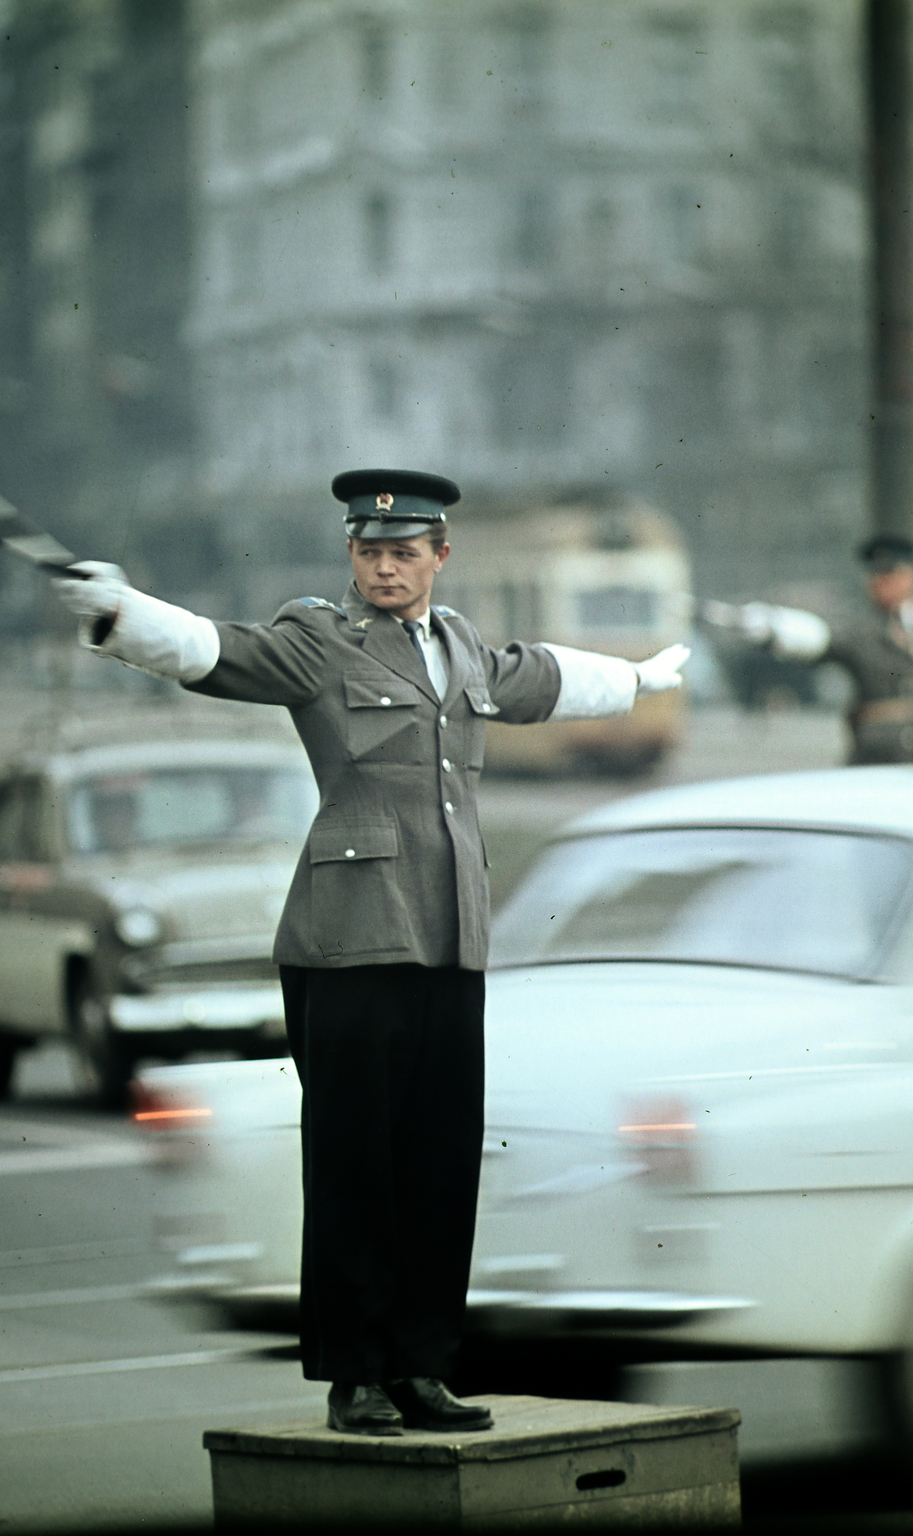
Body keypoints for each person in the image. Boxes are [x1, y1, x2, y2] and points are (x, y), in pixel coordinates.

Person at [54, 469, 689, 1437]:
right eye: (369, 550)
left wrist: (637, 678)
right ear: (350, 555)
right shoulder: (319, 639)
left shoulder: (461, 646)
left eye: (404, 550)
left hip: (447, 935)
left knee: (438, 1164)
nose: (385, 566)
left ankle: (421, 1368)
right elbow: (219, 653)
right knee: (355, 1164)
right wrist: (120, 614)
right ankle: (355, 1375)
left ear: (440, 555)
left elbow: (539, 676)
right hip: (349, 938)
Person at [703, 533, 913, 765]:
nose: (880, 582)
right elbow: (819, 639)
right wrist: (770, 626)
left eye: (890, 573)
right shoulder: (858, 631)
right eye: (875, 575)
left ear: (912, 577)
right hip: (875, 757)